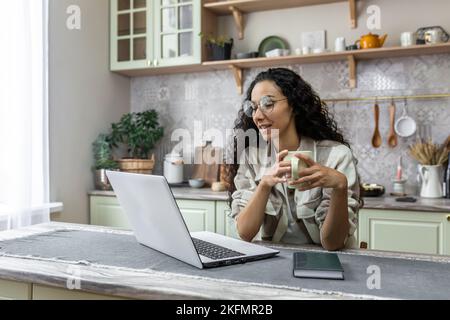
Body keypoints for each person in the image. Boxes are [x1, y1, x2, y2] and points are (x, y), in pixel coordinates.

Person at [226, 68, 361, 251]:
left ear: (294, 106)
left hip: (326, 263)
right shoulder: (251, 157)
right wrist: (264, 185)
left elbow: (333, 243)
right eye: (254, 107)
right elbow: (245, 233)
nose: (257, 116)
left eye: (268, 103)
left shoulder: (336, 156)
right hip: (274, 260)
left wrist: (339, 186)